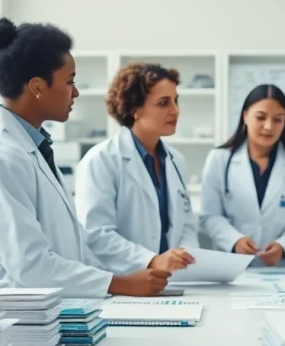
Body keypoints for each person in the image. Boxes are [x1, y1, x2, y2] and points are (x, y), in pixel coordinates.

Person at [0, 18, 170, 297]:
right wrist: (121, 284)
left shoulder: (32, 146)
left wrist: (121, 279)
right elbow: (31, 267)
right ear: (38, 87)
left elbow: (72, 248)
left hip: (54, 313)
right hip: (17, 323)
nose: (75, 92)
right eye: (70, 82)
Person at [76, 62, 199, 275]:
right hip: (123, 282)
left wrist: (184, 256)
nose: (175, 110)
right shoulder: (102, 159)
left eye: (176, 101)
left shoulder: (175, 160)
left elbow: (186, 223)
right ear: (135, 109)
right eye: (163, 103)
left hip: (173, 281)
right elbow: (96, 234)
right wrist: (151, 260)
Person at [199, 84, 285, 268]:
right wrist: (234, 241)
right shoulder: (219, 159)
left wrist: (283, 246)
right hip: (231, 268)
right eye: (260, 117)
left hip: (282, 272)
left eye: (278, 120)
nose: (268, 127)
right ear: (245, 116)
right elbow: (210, 215)